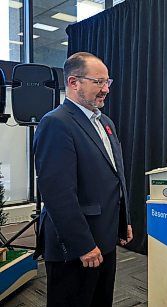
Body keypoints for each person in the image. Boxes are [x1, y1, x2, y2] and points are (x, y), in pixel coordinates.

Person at [34, 52, 133, 307]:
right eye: (98, 82)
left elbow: (115, 177)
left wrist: (124, 222)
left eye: (107, 82)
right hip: (77, 246)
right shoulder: (56, 123)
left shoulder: (105, 122)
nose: (105, 90)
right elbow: (58, 194)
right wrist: (83, 245)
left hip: (105, 238)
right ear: (73, 82)